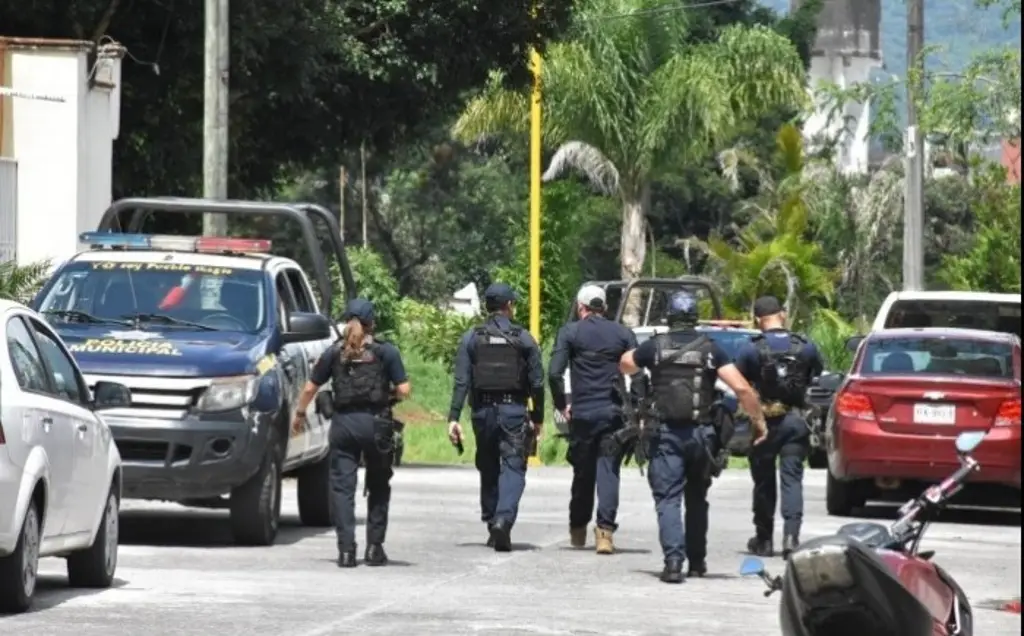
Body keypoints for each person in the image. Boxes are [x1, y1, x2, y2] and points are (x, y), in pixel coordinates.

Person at [620, 291, 766, 584]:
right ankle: (697, 562)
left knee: (668, 499)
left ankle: (674, 562)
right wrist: (758, 421)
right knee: (697, 498)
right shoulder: (711, 349)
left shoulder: (655, 347)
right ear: (694, 318)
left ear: (669, 318)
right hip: (702, 436)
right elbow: (742, 389)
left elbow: (625, 363)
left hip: (666, 435)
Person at [291, 298, 410, 568]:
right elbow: (404, 390)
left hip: (343, 425)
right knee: (379, 486)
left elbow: (310, 388)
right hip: (376, 424)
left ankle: (346, 552)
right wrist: (386, 395)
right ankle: (374, 549)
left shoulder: (335, 352)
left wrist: (299, 416)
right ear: (372, 324)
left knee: (342, 489)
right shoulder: (385, 352)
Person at [447, 283, 545, 552]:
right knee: (514, 466)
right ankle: (503, 519)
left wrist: (453, 417)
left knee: (488, 466)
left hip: (482, 413)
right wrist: (538, 416)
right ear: (509, 306)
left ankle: (492, 522)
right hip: (513, 411)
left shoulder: (471, 337)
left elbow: (461, 380)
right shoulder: (524, 338)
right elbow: (537, 381)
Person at [548, 284, 641, 555]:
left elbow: (554, 373)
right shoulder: (623, 333)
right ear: (605, 308)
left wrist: (562, 404)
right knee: (609, 471)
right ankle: (604, 534)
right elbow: (637, 374)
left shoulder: (571, 332)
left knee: (582, 471)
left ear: (581, 307)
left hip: (583, 414)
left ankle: (578, 529)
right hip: (613, 413)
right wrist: (635, 408)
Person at [733, 295, 824, 559]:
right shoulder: (805, 346)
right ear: (781, 314)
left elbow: (740, 385)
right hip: (796, 421)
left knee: (763, 482)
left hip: (763, 423)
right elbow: (817, 377)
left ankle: (763, 540)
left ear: (758, 319)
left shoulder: (750, 349)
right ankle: (791, 538)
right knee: (792, 479)